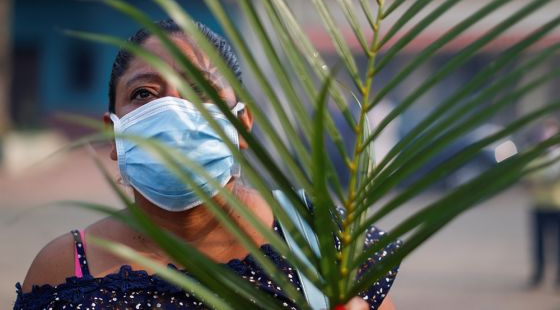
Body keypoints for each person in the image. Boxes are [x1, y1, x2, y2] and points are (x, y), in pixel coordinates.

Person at [14, 19, 399, 310]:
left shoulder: (321, 238)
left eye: (201, 92)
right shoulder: (66, 269)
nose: (175, 111)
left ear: (241, 126)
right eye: (144, 93)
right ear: (114, 134)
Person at [526, 118, 560, 287]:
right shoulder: (533, 155)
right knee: (539, 245)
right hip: (539, 205)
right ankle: (538, 276)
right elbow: (528, 178)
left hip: (557, 206)